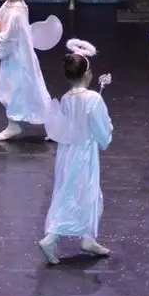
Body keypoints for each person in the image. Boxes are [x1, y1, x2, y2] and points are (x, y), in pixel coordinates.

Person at [39, 39, 113, 264]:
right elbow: (101, 131)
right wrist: (107, 132)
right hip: (84, 153)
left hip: (68, 152)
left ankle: (88, 237)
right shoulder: (94, 99)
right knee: (78, 194)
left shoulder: (66, 98)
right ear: (88, 73)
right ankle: (52, 237)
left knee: (82, 193)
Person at [0, 0, 51, 141]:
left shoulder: (17, 12)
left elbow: (9, 37)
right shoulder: (9, 5)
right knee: (13, 90)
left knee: (25, 89)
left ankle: (52, 123)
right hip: (13, 58)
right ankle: (14, 124)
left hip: (19, 58)